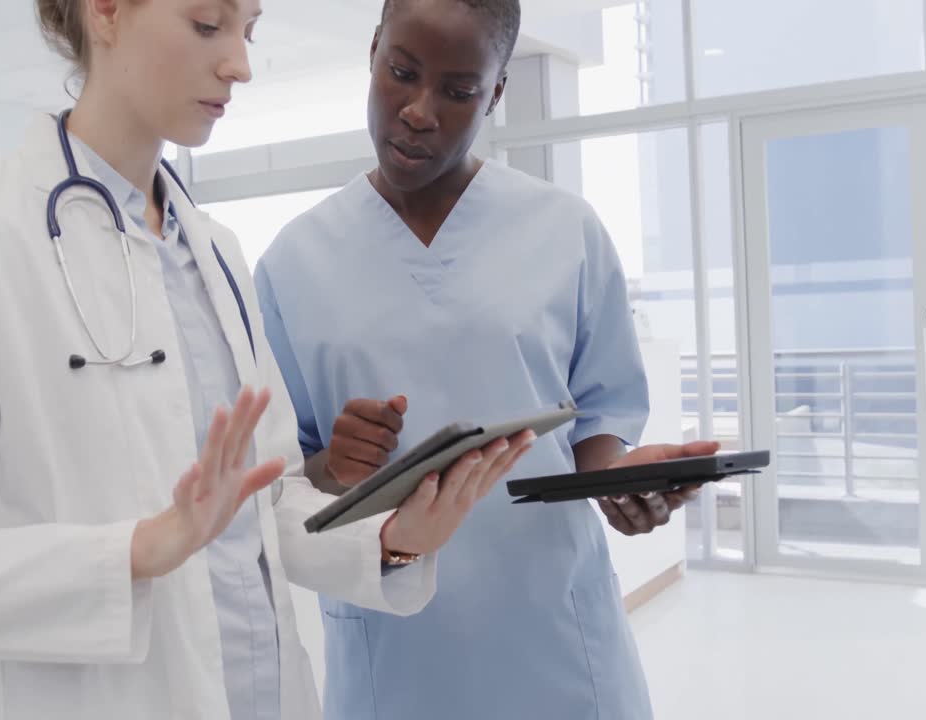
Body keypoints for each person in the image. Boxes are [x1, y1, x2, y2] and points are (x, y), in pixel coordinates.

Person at [0, 2, 534, 719]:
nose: (241, 64)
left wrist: (394, 542)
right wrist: (135, 552)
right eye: (207, 25)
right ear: (104, 11)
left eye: (248, 31)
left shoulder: (216, 251)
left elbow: (266, 505)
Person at [253, 1, 719, 718]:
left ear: (496, 92)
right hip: (395, 652)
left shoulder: (565, 230)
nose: (418, 110)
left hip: (554, 638)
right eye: (401, 73)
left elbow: (597, 419)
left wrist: (619, 483)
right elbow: (284, 482)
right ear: (374, 52)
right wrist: (334, 464)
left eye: (458, 90)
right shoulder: (293, 261)